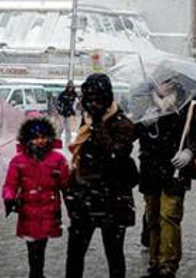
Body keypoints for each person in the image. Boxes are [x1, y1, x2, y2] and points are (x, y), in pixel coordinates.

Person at [137, 66, 196, 278]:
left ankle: (168, 265)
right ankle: (154, 262)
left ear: (175, 83)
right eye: (160, 81)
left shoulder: (187, 106)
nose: (164, 86)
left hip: (175, 170)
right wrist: (144, 124)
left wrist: (190, 151)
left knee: (169, 215)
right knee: (152, 217)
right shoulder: (144, 104)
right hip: (150, 169)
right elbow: (133, 134)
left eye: (168, 81)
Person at [64, 73, 138, 278]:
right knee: (75, 253)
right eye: (88, 99)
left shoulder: (122, 124)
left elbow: (115, 155)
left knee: (114, 253)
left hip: (113, 197)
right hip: (85, 196)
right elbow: (83, 158)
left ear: (107, 98)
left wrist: (98, 126)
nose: (92, 104)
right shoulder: (87, 120)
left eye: (97, 99)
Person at [3, 116, 70, 278]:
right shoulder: (18, 160)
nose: (40, 141)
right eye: (35, 138)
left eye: (43, 137)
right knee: (33, 246)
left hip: (49, 209)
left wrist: (72, 205)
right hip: (28, 210)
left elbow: (66, 185)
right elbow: (10, 184)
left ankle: (36, 273)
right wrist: (9, 196)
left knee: (40, 245)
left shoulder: (58, 159)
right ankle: (36, 273)